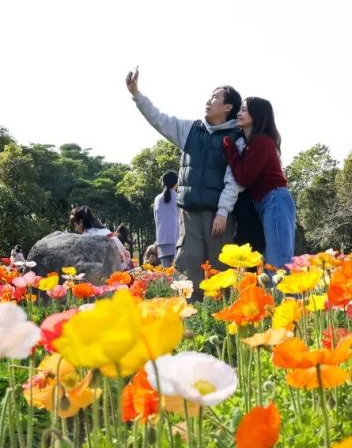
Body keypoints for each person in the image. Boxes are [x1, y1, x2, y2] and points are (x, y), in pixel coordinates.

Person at [126, 69, 241, 299]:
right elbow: (159, 119)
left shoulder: (236, 138)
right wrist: (136, 94)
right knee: (188, 271)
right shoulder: (191, 130)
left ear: (228, 107)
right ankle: (191, 318)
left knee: (220, 272)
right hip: (189, 215)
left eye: (215, 98)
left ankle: (225, 320)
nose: (208, 101)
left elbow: (234, 180)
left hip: (218, 217)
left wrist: (223, 212)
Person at [222, 97, 295, 268]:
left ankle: (282, 295)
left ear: (257, 115)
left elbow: (244, 177)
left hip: (275, 200)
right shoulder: (252, 143)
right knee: (271, 259)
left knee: (278, 262)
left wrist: (230, 149)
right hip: (267, 201)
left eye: (244, 110)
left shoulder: (262, 141)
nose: (238, 114)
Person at [153, 170, 181, 268]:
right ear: (177, 183)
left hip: (162, 241)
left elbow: (156, 220)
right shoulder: (179, 198)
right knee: (177, 274)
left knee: (166, 275)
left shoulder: (157, 199)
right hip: (177, 240)